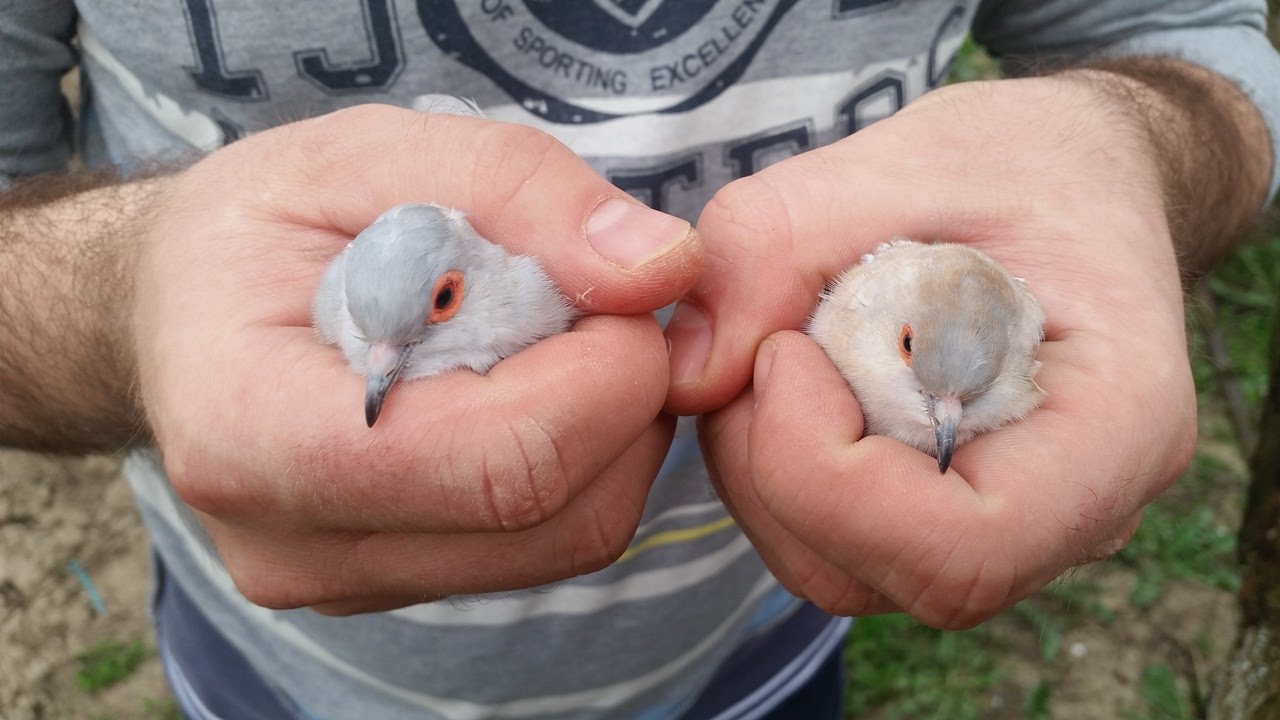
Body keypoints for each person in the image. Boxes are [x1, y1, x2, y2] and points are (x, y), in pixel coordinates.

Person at [2, 2, 1278, 718]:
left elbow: (1195, 43)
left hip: (760, 646)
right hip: (284, 680)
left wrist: (1142, 150)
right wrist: (119, 301)